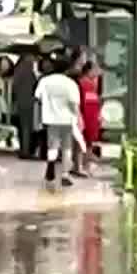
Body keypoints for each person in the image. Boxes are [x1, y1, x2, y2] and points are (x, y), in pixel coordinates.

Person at [33, 51, 84, 189]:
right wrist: (78, 117)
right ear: (67, 68)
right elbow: (74, 103)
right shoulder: (70, 83)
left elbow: (37, 98)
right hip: (67, 119)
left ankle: (51, 163)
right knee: (67, 147)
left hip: (50, 118)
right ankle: (65, 174)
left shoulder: (45, 81)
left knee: (52, 145)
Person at [76, 59, 105, 176]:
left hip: (92, 116)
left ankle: (85, 165)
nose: (98, 71)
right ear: (89, 70)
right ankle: (83, 165)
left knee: (89, 142)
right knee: (85, 142)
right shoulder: (84, 83)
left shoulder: (93, 83)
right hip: (86, 116)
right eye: (95, 69)